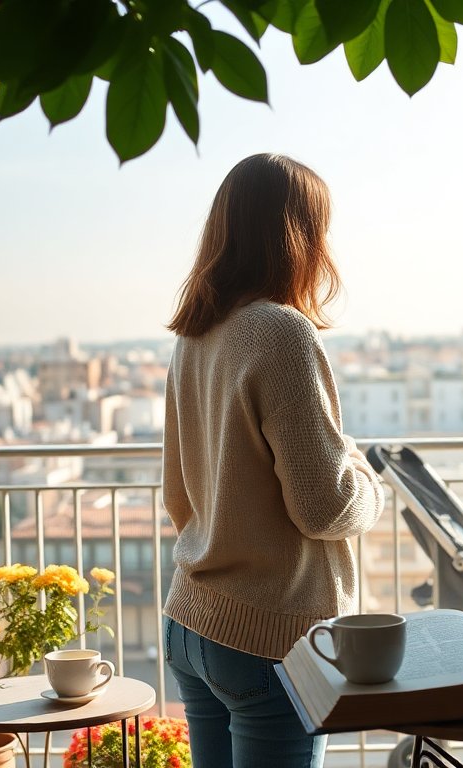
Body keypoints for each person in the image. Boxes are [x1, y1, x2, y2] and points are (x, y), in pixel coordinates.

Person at [160, 153, 385, 768]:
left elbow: (178, 495)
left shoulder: (195, 334)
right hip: (267, 637)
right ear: (298, 236)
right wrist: (368, 480)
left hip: (191, 617)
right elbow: (324, 505)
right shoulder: (281, 333)